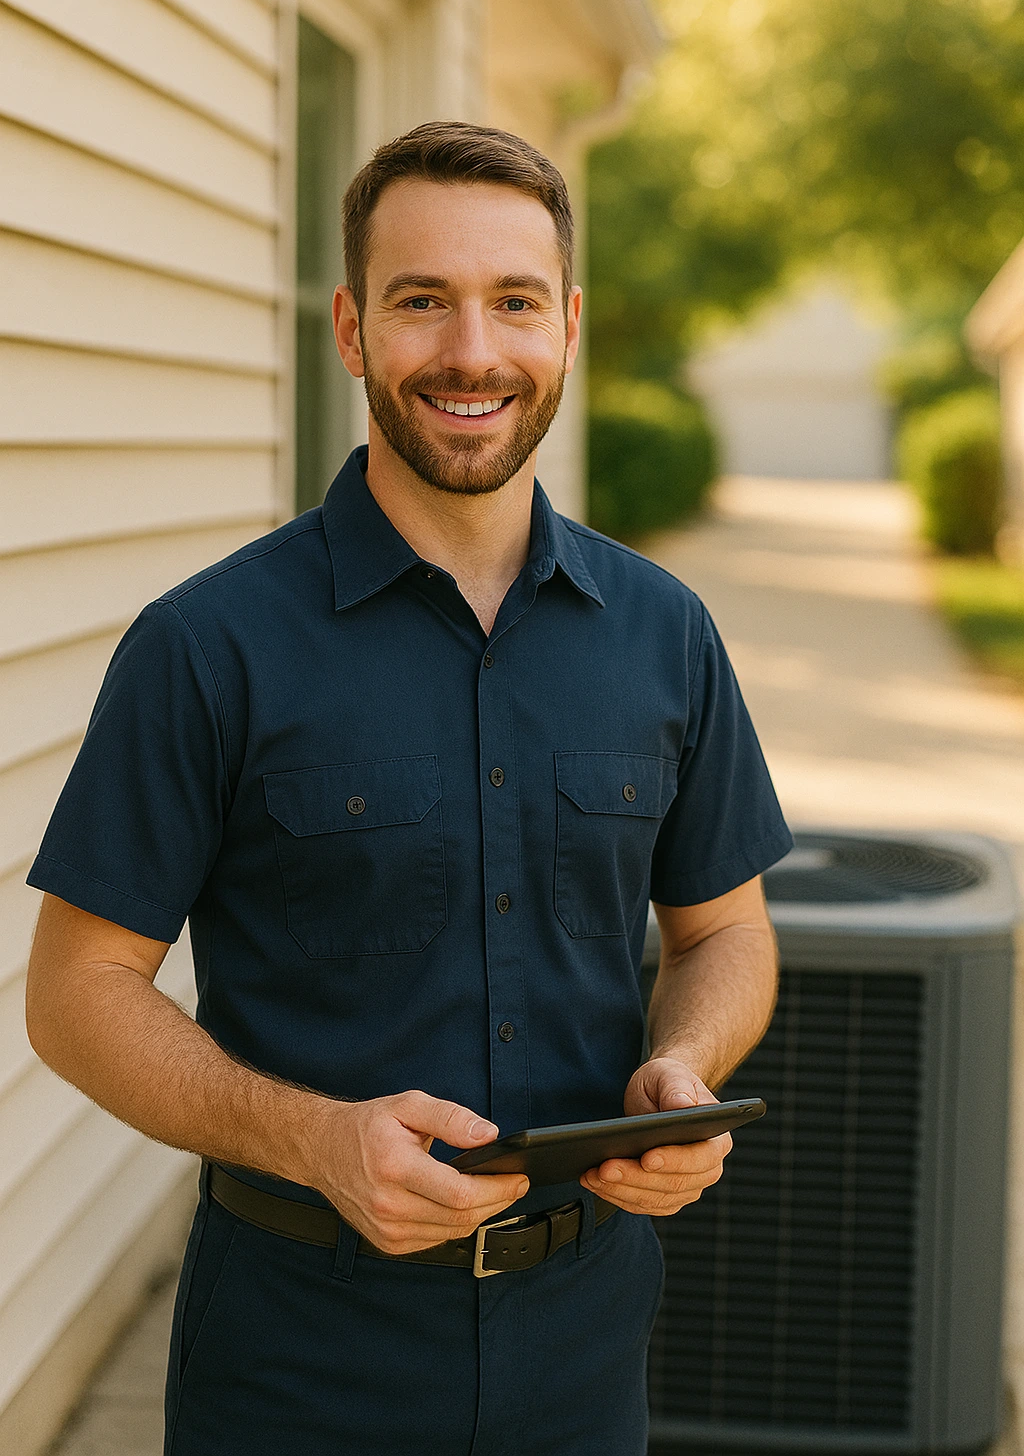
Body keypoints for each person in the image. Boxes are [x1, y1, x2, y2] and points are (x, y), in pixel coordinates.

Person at [25, 121, 791, 1455]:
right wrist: (315, 1139)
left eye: (513, 302)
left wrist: (683, 1062)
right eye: (421, 301)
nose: (472, 352)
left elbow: (726, 930)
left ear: (568, 325)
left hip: (586, 1342)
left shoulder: (665, 634)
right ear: (350, 328)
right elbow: (75, 996)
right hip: (298, 1362)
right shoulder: (207, 645)